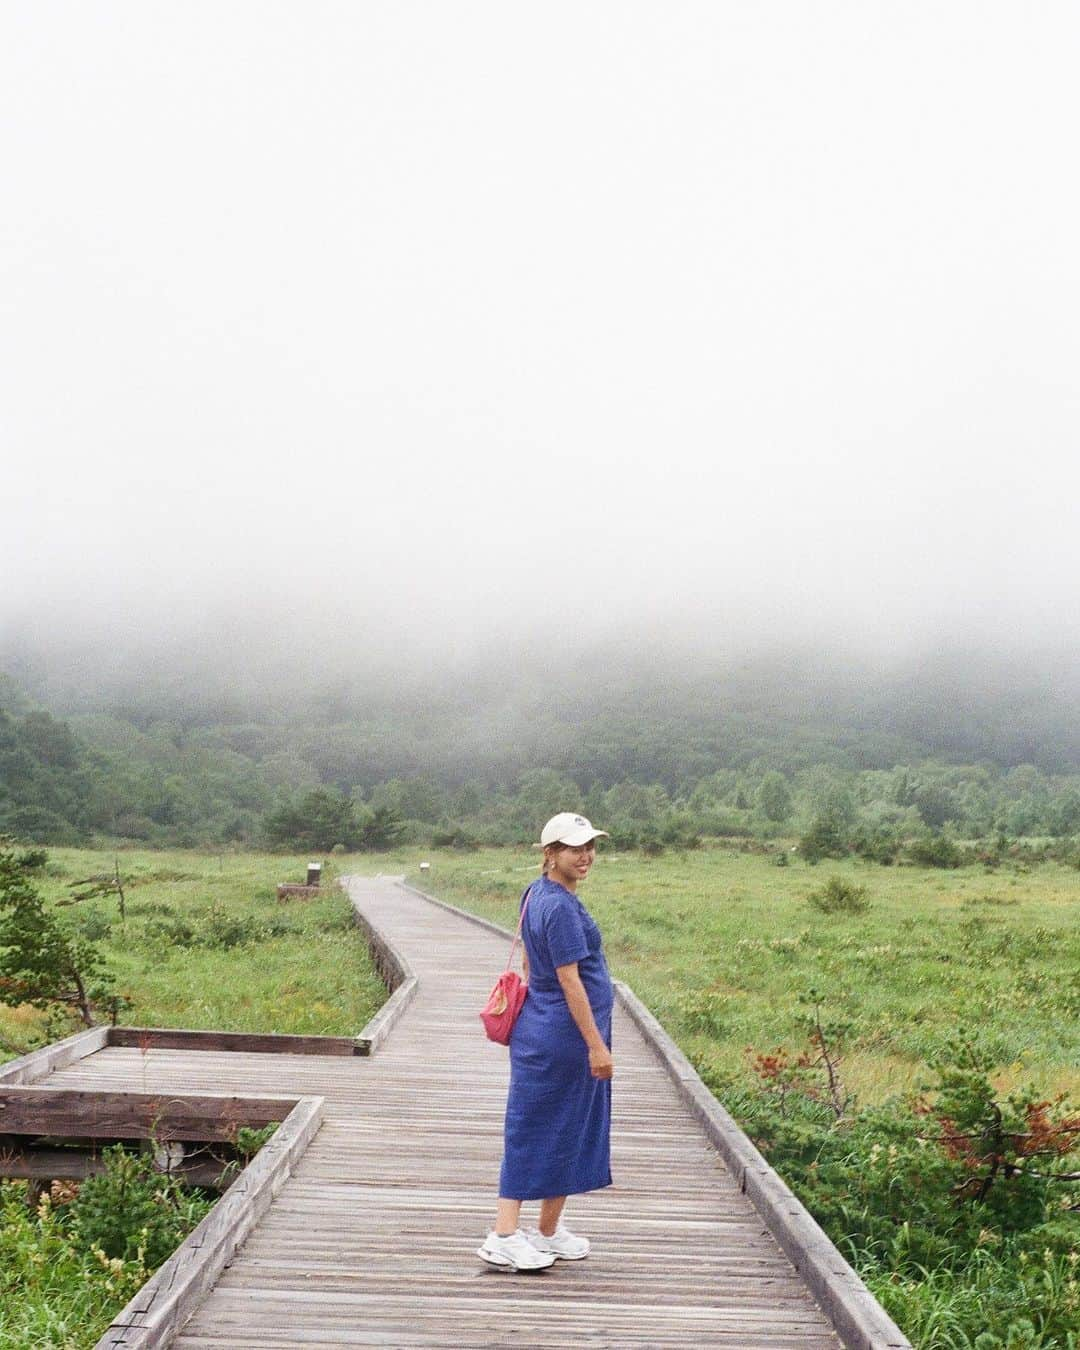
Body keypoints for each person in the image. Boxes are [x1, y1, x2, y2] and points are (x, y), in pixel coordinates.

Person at [478, 812, 614, 1272]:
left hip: (555, 1029)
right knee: (533, 1127)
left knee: (569, 1126)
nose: (586, 855)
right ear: (550, 854)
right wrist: (596, 1045)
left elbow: (548, 972)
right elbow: (569, 980)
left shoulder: (540, 893)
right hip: (561, 1035)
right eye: (575, 848)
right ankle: (502, 1235)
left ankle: (548, 1231)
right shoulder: (557, 905)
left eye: (590, 846)